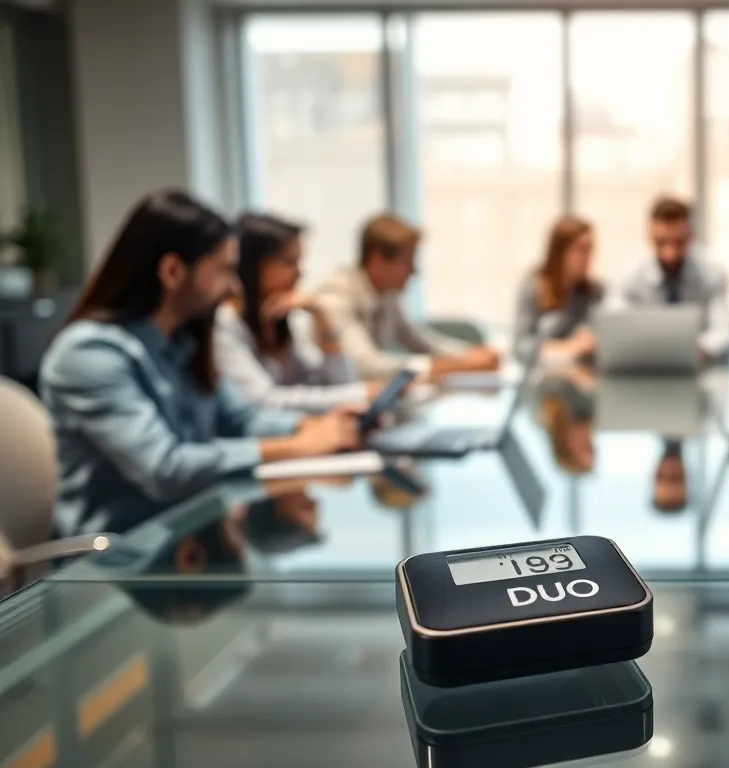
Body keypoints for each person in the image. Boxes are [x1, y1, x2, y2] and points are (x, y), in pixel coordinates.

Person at [41, 190, 363, 536]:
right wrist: (295, 445)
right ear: (173, 271)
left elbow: (242, 418)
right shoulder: (89, 355)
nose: (235, 288)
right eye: (225, 270)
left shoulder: (185, 343)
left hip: (187, 536)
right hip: (114, 560)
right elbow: (166, 470)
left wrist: (313, 427)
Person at [214, 213, 375, 412]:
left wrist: (321, 315)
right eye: (289, 262)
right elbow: (265, 401)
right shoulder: (224, 325)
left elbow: (336, 383)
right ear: (255, 264)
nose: (300, 273)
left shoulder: (278, 318)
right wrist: (359, 394)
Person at [315, 213, 499, 379]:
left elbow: (419, 341)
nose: (413, 271)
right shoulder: (334, 298)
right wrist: (459, 365)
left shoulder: (386, 294)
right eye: (407, 261)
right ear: (378, 259)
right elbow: (365, 367)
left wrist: (468, 355)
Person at [611, 196, 729, 360]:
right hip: (644, 365)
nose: (670, 254)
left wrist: (697, 349)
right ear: (649, 236)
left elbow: (725, 331)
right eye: (661, 242)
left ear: (691, 237)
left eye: (678, 243)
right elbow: (613, 324)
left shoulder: (712, 272)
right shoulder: (630, 275)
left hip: (697, 368)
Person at [513, 216, 603, 362]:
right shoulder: (535, 285)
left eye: (590, 249)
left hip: (581, 375)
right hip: (538, 378)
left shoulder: (595, 291)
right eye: (582, 249)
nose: (588, 257)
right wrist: (568, 347)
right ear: (560, 251)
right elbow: (521, 347)